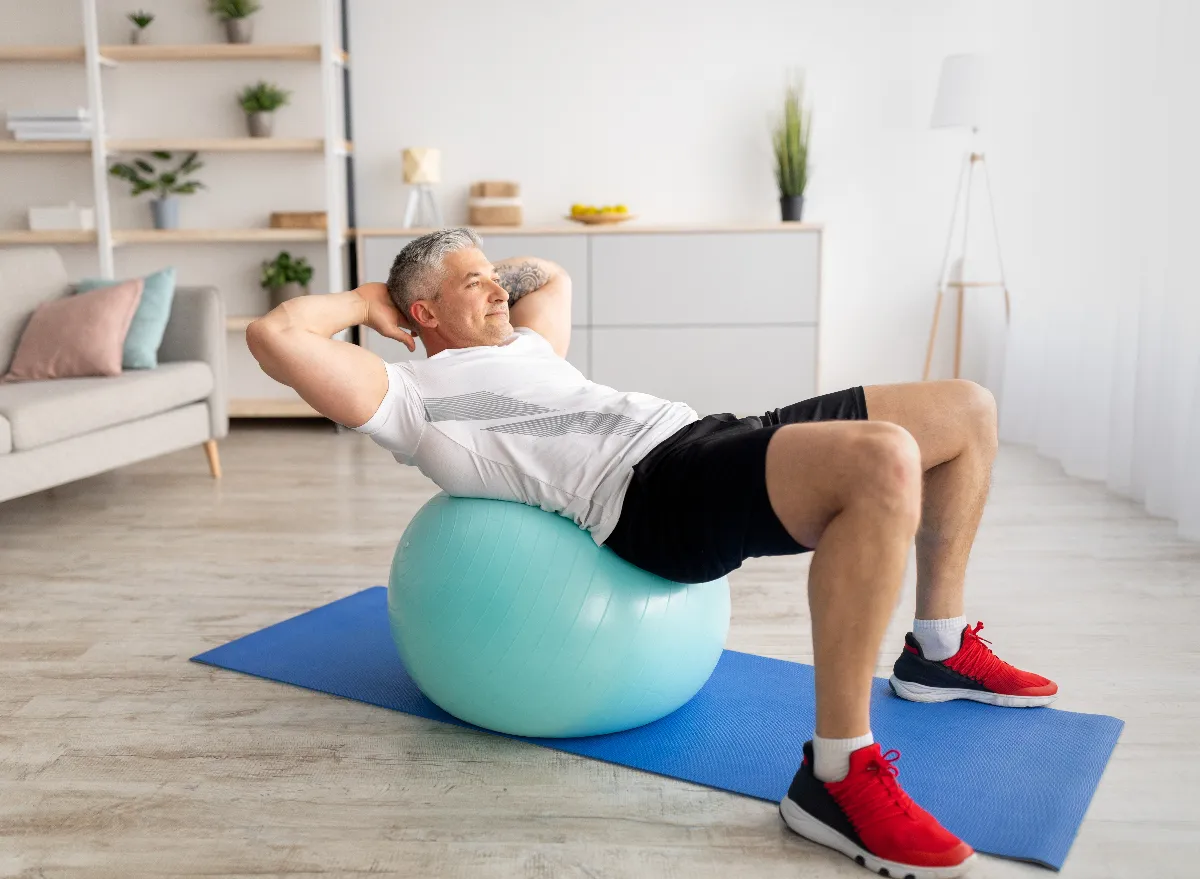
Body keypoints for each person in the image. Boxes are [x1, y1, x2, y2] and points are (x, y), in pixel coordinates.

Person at [247, 227, 1057, 879]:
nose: (500, 289)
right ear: (421, 314)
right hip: (651, 495)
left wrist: (480, 271)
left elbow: (551, 278)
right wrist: (367, 298)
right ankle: (838, 773)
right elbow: (274, 333)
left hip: (705, 433)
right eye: (475, 283)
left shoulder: (527, 346)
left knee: (967, 408)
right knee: (882, 457)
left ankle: (938, 651)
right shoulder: (409, 400)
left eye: (495, 278)